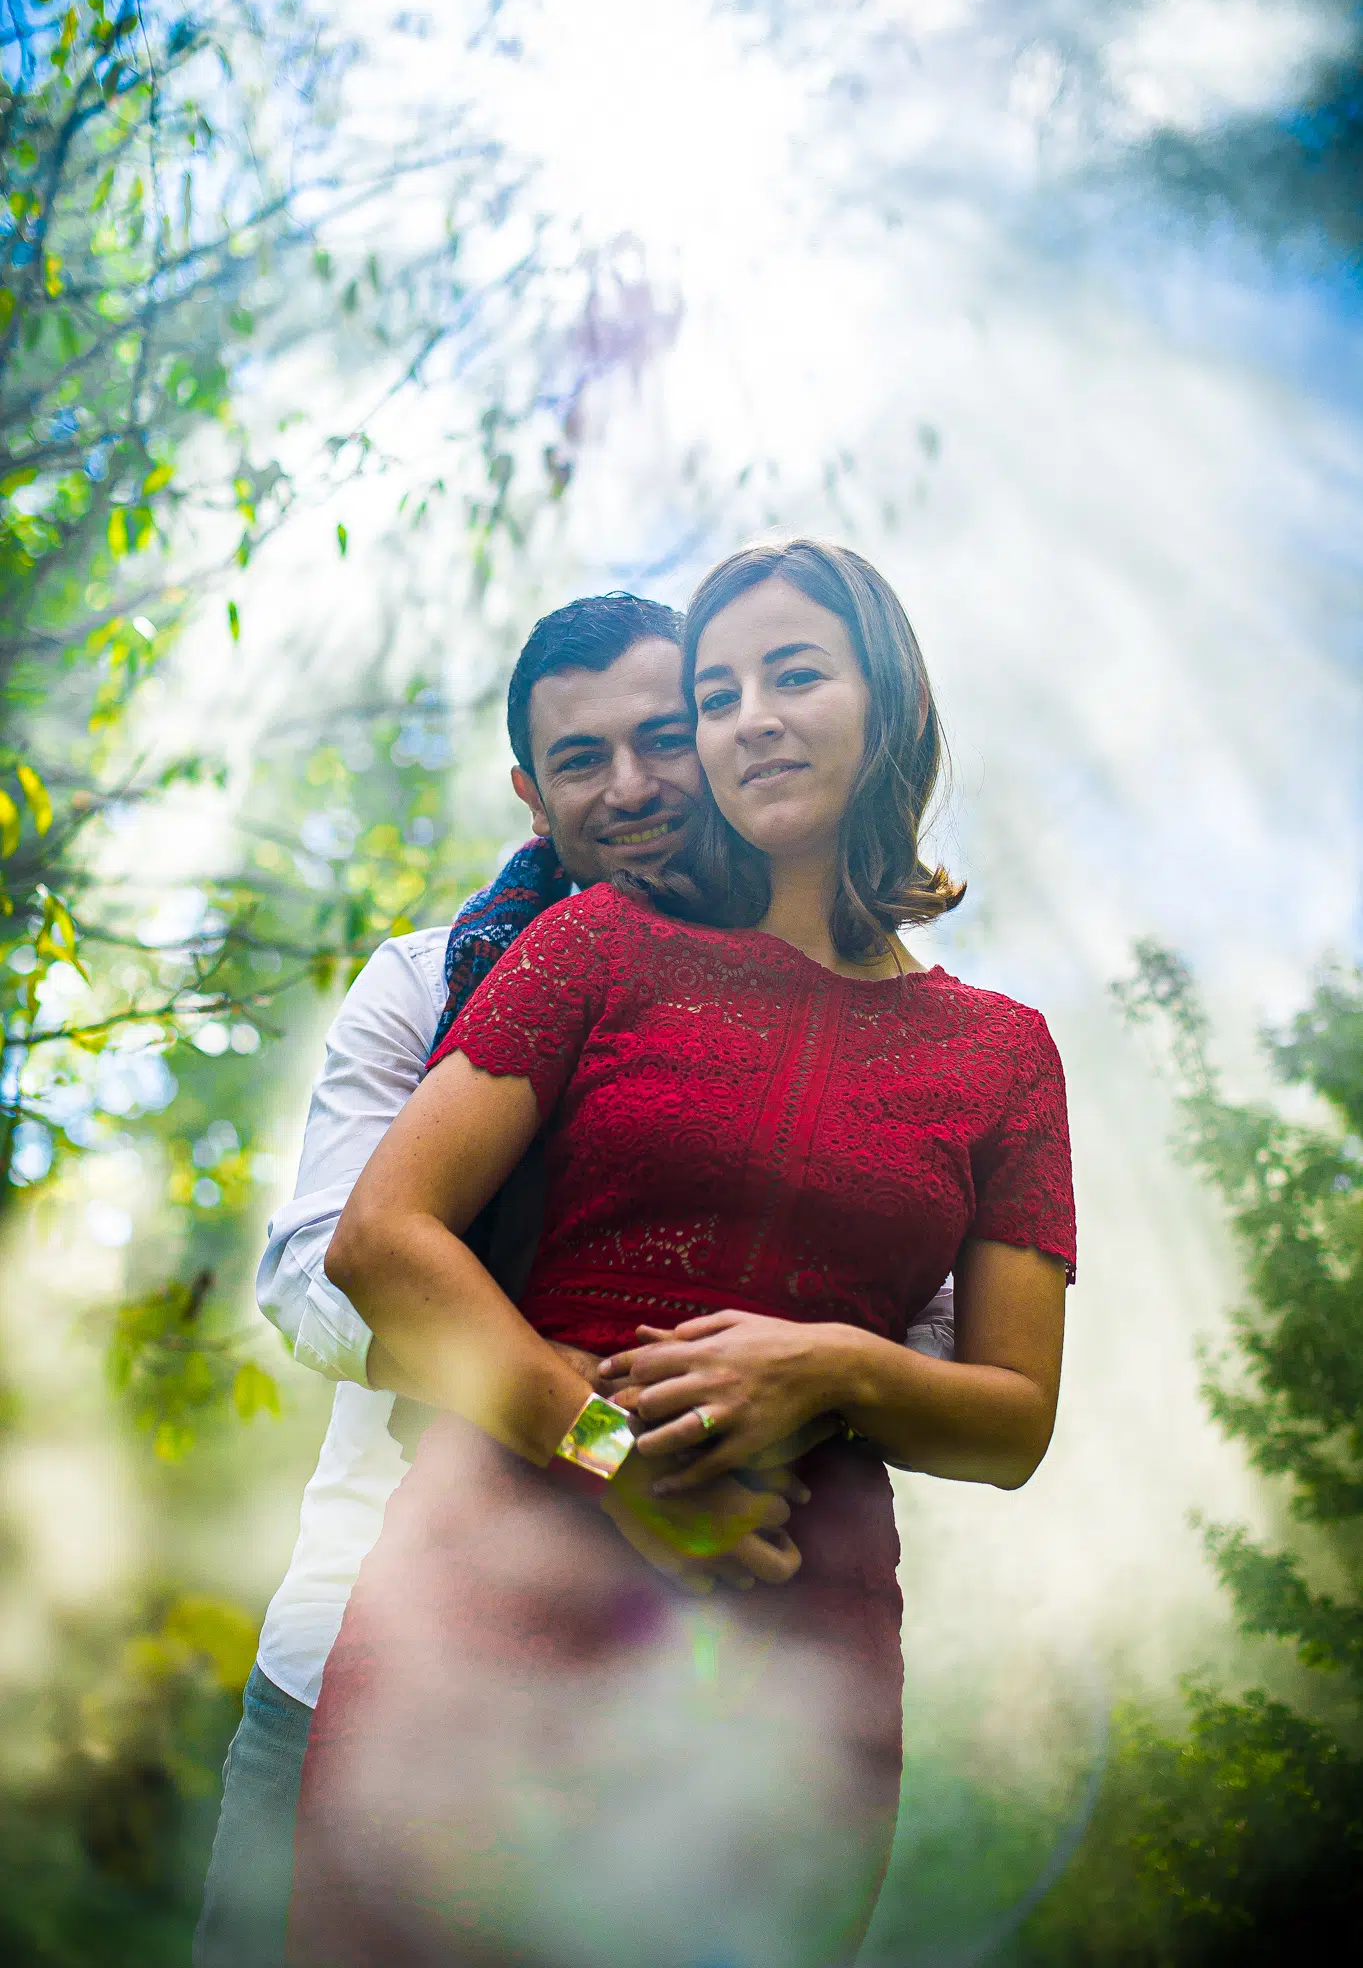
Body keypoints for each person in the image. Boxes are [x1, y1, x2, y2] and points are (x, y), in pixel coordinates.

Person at [285, 540, 1076, 1968]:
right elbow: (376, 1244)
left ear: (892, 700)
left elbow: (1012, 1421)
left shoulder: (1004, 1056)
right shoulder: (593, 945)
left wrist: (833, 1367)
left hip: (794, 1636)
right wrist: (617, 1458)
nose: (750, 720)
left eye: (794, 676)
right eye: (719, 696)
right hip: (491, 1593)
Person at [194, 595, 798, 1968]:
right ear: (530, 792)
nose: (631, 786)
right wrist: (587, 1425)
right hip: (361, 1645)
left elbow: (913, 1314)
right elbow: (315, 1279)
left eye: (663, 738)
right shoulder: (429, 986)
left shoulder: (816, 1005)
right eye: (582, 758)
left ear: (715, 737)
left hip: (678, 1700)